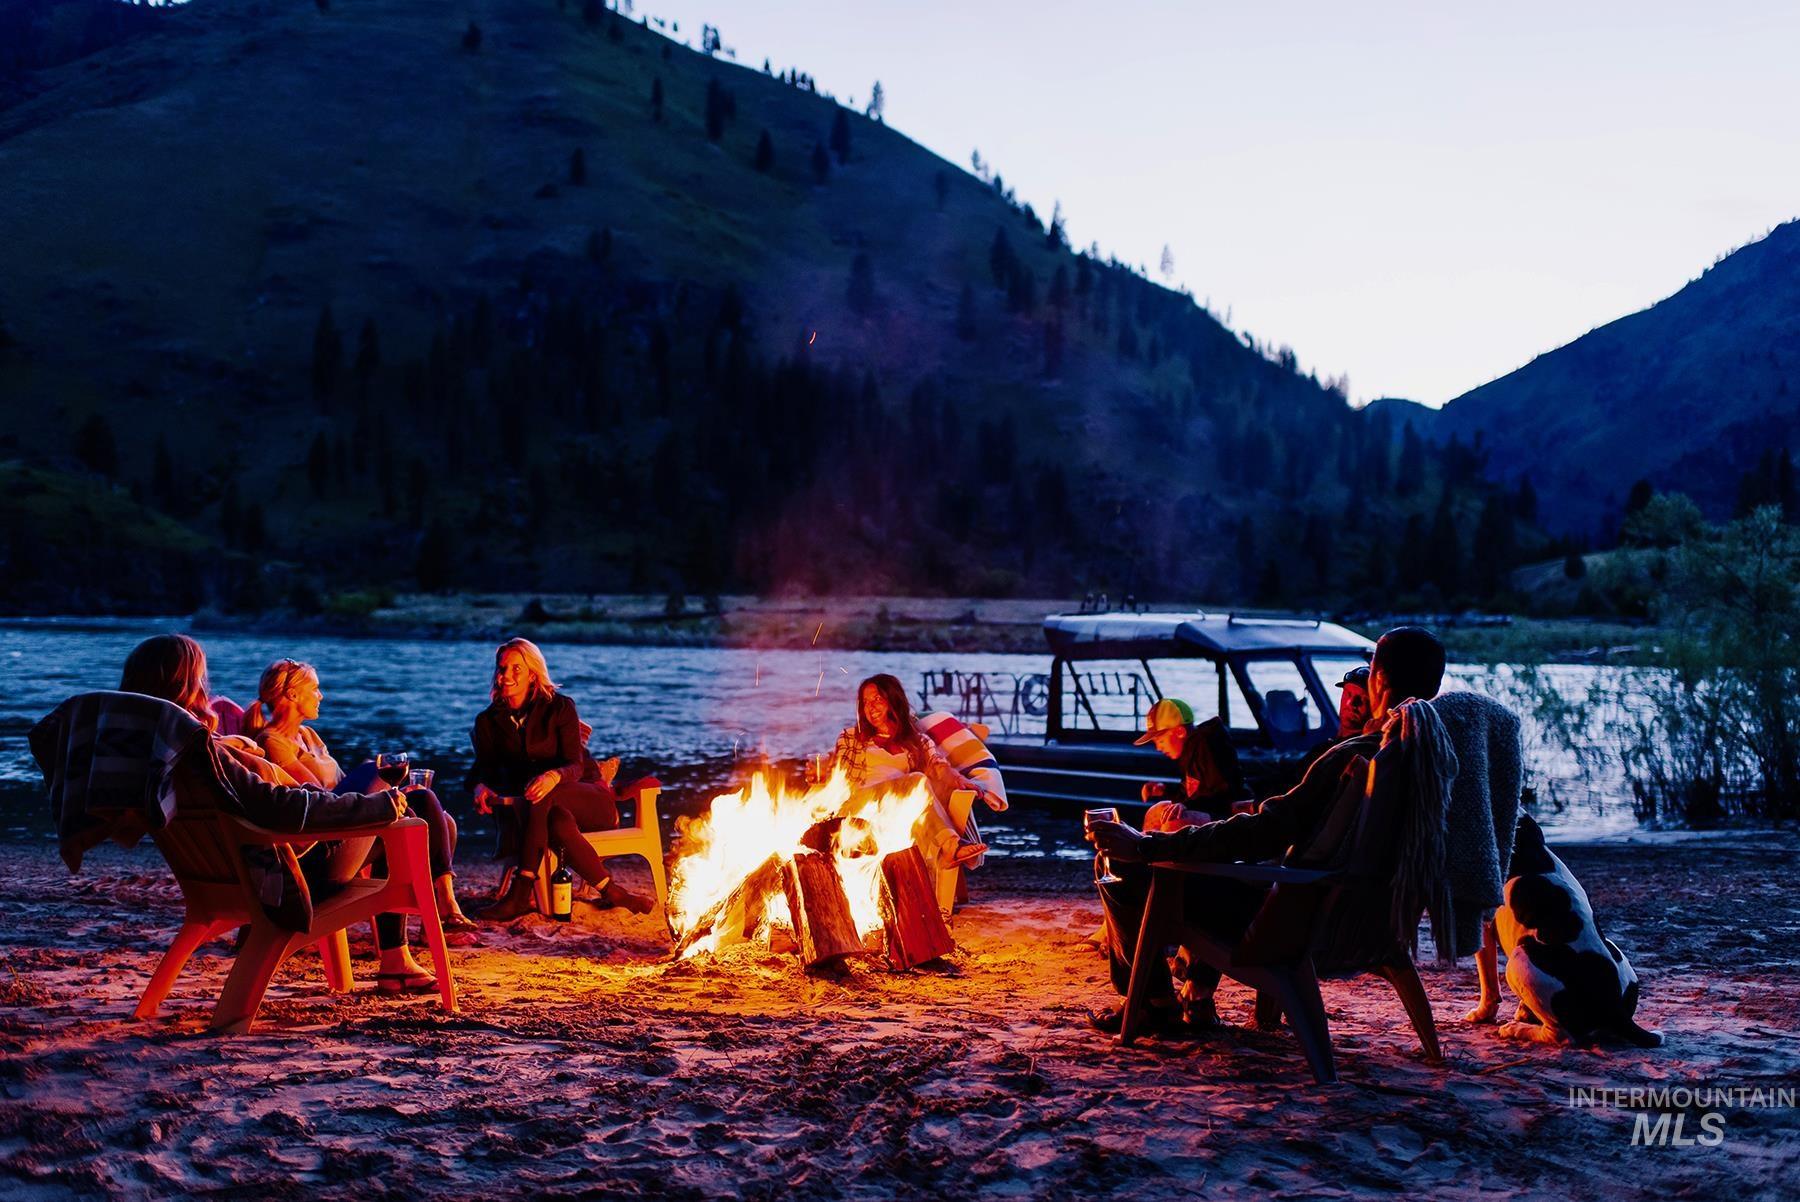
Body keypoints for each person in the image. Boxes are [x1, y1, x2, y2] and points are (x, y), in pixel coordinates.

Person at [1085, 627, 1448, 1035]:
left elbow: (1265, 830)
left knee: (1124, 869)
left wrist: (1149, 845)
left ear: (1378, 679)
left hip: (1289, 929)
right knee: (1180, 858)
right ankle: (1176, 997)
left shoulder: (1350, 757)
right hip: (1368, 926)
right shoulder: (1430, 757)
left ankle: (1154, 1004)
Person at [116, 635, 437, 994]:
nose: (208, 688)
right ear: (190, 685)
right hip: (294, 875)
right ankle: (406, 947)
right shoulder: (205, 750)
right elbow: (277, 805)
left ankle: (397, 958)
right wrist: (376, 805)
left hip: (230, 877)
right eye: (204, 678)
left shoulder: (158, 752)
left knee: (398, 813)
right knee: (409, 804)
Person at [242, 658, 476, 933]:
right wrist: (378, 786)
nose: (321, 695)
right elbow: (319, 800)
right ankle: (443, 905)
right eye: (315, 689)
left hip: (345, 833)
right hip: (320, 853)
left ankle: (438, 909)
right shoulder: (272, 743)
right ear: (293, 694)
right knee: (375, 772)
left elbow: (342, 786)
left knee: (430, 817)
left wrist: (389, 796)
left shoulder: (309, 736)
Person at [471, 639, 655, 921]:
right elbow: (483, 768)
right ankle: (613, 891)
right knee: (555, 819)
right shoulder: (487, 722)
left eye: (516, 669)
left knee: (542, 792)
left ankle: (521, 892)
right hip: (543, 811)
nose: (505, 676)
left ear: (533, 673)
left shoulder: (559, 708)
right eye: (502, 668)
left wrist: (553, 775)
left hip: (590, 799)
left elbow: (575, 764)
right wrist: (480, 784)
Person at [816, 674, 1001, 869]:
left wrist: (959, 780)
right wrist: (822, 768)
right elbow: (839, 771)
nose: (870, 708)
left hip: (895, 810)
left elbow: (939, 766)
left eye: (877, 699)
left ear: (893, 699)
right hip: (859, 806)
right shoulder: (851, 737)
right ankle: (950, 846)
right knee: (917, 782)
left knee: (918, 792)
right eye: (865, 702)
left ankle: (949, 848)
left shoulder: (919, 742)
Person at [1133, 698, 1250, 830]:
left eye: (1160, 741)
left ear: (1179, 732)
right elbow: (1192, 793)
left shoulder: (1207, 744)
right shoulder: (1188, 752)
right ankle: (1145, 848)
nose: (1158, 748)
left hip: (1231, 814)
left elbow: (1222, 793)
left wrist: (1188, 806)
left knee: (1174, 823)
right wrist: (1164, 790)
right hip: (1209, 808)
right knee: (1155, 812)